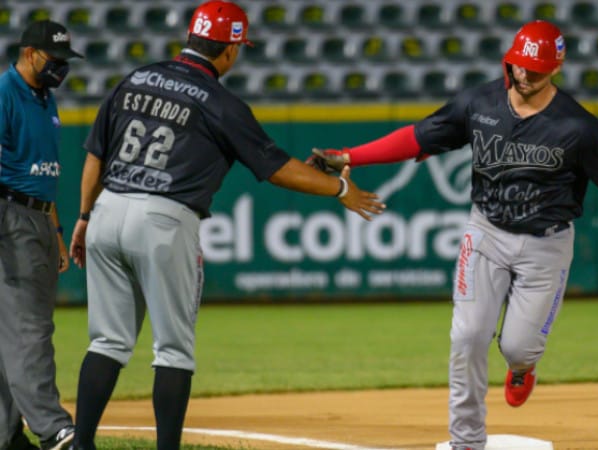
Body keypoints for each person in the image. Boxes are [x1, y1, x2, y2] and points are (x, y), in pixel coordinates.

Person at [308, 19, 598, 450]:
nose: (525, 75)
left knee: (518, 347)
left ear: (557, 67)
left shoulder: (578, 127)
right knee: (467, 337)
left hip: (546, 244)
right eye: (519, 66)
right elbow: (417, 137)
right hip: (487, 231)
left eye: (535, 69)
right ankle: (466, 442)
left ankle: (523, 366)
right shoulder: (480, 103)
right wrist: (350, 157)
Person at [67, 2, 385, 449]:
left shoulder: (134, 78)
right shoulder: (219, 102)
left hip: (107, 208)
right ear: (230, 49)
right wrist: (339, 190)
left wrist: (84, 216)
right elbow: (276, 168)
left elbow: (96, 153)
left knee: (107, 342)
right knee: (173, 349)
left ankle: (81, 445)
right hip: (163, 218)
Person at [0, 19, 83, 450]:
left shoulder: (44, 97)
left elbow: (45, 176)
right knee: (31, 326)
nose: (61, 68)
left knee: (10, 330)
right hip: (9, 216)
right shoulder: (4, 93)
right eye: (55, 59)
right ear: (30, 53)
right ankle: (53, 428)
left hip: (36, 217)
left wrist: (54, 231)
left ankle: (6, 434)